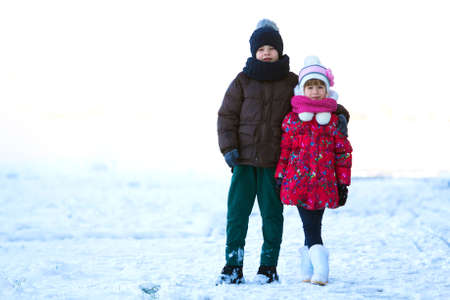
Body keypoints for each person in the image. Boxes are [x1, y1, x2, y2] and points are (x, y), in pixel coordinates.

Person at [216, 19, 350, 285]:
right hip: (242, 161)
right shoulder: (242, 81)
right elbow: (226, 116)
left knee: (272, 217)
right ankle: (233, 265)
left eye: (271, 47)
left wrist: (342, 115)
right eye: (261, 48)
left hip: (275, 164)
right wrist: (228, 148)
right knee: (237, 214)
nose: (266, 52)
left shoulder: (291, 81)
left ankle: (268, 267)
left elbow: (318, 99)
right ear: (254, 51)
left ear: (279, 50)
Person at [275, 56, 353, 286]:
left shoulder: (333, 121)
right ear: (302, 90)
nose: (316, 91)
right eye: (310, 87)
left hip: (324, 182)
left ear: (327, 90)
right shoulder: (293, 120)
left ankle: (317, 269)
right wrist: (280, 175)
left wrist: (343, 183)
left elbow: (343, 153)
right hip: (297, 182)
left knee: (312, 226)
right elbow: (285, 150)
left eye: (320, 86)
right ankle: (311, 268)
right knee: (310, 226)